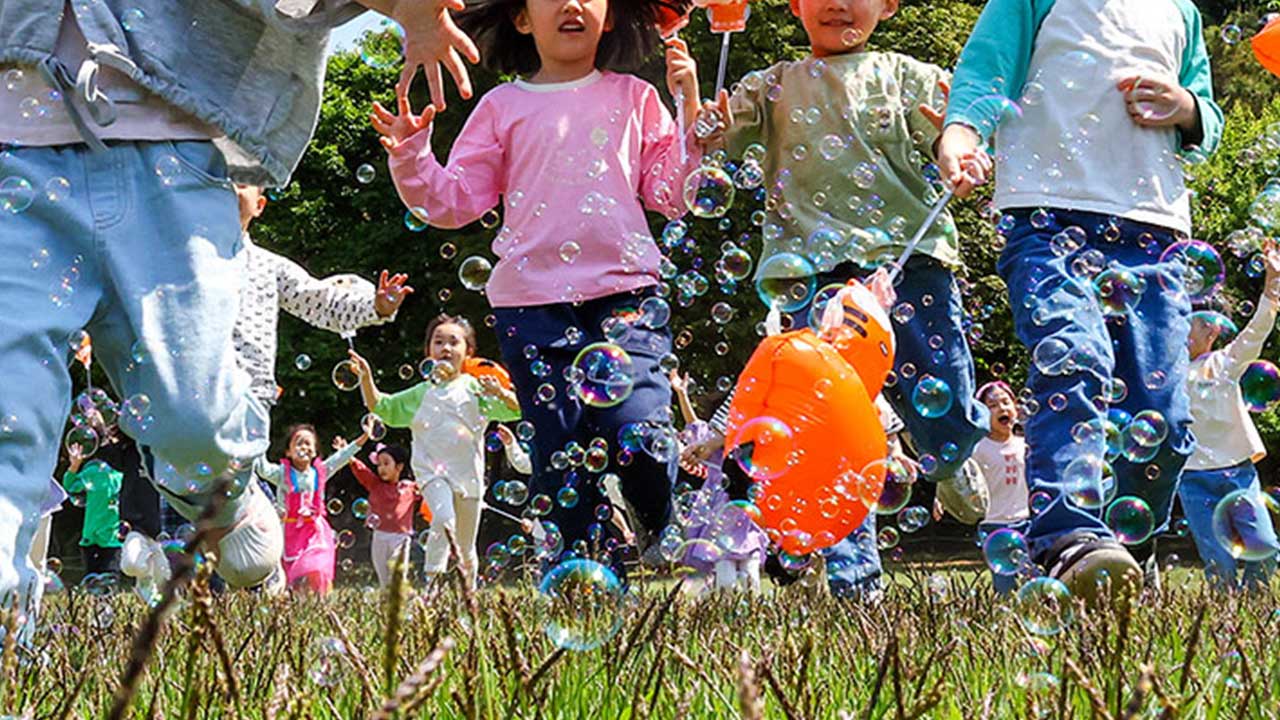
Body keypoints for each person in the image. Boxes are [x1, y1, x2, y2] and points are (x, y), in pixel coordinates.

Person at [0, 0, 482, 622]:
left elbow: (321, 297)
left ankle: (223, 495)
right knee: (9, 410)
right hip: (16, 160)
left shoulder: (266, 261)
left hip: (167, 155)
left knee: (190, 420)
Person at [372, 0, 709, 569]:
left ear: (611, 15)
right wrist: (411, 155)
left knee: (641, 433)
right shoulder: (502, 106)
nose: (572, 3)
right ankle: (577, 575)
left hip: (626, 295)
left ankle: (658, 520)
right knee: (559, 452)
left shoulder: (637, 98)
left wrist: (691, 114)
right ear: (522, 18)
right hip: (532, 305)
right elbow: (454, 200)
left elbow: (673, 194)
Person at [694, 0, 990, 596]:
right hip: (806, 267)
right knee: (827, 430)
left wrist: (957, 155)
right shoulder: (772, 84)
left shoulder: (907, 74)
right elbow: (718, 141)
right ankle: (857, 582)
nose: (836, 3)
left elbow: (946, 138)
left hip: (909, 257)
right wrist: (704, 120)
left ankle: (952, 454)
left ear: (888, 5)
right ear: (796, 6)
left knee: (945, 391)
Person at [936, 0, 1223, 603]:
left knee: (1163, 418)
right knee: (1075, 361)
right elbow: (985, 74)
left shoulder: (1181, 12)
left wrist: (1188, 108)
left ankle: (1126, 550)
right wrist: (961, 133)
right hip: (1047, 221)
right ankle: (1069, 540)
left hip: (1155, 234)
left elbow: (1205, 119)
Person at [349, 315, 521, 586]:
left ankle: (469, 596)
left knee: (465, 546)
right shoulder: (420, 393)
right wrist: (366, 378)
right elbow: (382, 406)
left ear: (468, 352)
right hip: (431, 473)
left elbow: (517, 410)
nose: (446, 348)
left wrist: (501, 393)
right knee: (443, 517)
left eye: (454, 342)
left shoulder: (476, 389)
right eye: (438, 342)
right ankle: (432, 584)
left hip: (470, 478)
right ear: (429, 351)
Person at [1178, 240, 1280, 591]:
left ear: (1213, 331)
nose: (1188, 329)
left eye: (1196, 322)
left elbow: (1257, 332)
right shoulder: (1167, 373)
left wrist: (1272, 284)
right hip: (1193, 479)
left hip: (1237, 472)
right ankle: (1226, 622)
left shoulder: (1224, 363)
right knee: (1219, 562)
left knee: (1264, 548)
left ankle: (1252, 607)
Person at [670, 372, 767, 593]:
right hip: (720, 516)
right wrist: (682, 394)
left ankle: (748, 615)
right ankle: (719, 607)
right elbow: (694, 425)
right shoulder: (712, 445)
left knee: (751, 579)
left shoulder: (750, 445)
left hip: (745, 512)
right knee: (726, 581)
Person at [254, 425, 366, 594]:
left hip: (315, 532)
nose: (304, 447)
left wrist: (364, 436)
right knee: (290, 575)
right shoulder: (282, 474)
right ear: (288, 452)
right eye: (299, 443)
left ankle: (319, 602)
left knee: (316, 566)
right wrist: (257, 443)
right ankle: (296, 601)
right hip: (289, 532)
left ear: (315, 452)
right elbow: (262, 469)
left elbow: (342, 457)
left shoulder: (319, 473)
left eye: (308, 443)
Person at [969, 381, 1030, 595]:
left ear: (1016, 409)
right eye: (993, 405)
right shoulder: (977, 448)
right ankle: (1007, 622)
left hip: (1027, 521)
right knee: (1005, 585)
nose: (1002, 408)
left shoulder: (1026, 445)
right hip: (993, 524)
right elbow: (961, 479)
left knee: (1033, 579)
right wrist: (942, 497)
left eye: (1006, 402)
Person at [348, 443, 420, 588]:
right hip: (379, 536)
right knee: (384, 578)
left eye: (386, 463)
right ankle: (386, 604)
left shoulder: (410, 487)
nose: (381, 468)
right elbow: (362, 471)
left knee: (397, 573)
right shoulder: (375, 485)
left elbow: (428, 488)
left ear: (399, 467)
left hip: (401, 538)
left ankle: (399, 603)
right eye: (379, 464)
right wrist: (348, 456)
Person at [62, 444, 124, 582]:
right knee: (94, 580)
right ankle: (97, 602)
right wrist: (74, 465)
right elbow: (69, 487)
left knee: (106, 579)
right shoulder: (94, 472)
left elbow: (69, 486)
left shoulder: (120, 475)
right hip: (92, 536)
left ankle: (105, 602)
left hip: (111, 538)